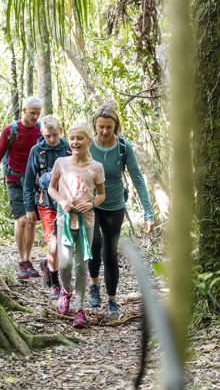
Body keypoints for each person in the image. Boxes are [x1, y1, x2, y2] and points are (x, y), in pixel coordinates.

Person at [88, 104, 155, 318]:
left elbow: (137, 179)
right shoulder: (87, 145)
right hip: (90, 204)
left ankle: (112, 300)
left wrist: (148, 212)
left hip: (115, 205)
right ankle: (94, 285)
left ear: (116, 126)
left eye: (109, 127)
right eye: (101, 127)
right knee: (94, 244)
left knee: (110, 251)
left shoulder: (123, 147)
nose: (105, 132)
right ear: (94, 126)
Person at [48, 121, 105, 328]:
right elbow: (51, 189)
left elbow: (101, 195)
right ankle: (65, 291)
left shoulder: (96, 167)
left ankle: (80, 308)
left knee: (81, 266)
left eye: (80, 138)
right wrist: (62, 201)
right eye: (72, 138)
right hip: (64, 220)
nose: (75, 142)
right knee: (65, 264)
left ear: (89, 141)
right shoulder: (61, 163)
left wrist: (90, 204)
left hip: (86, 222)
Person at [0, 96, 42, 280]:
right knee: (22, 221)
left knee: (32, 221)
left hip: (34, 182)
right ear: (24, 111)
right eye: (32, 113)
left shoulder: (40, 131)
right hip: (15, 180)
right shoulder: (11, 131)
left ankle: (28, 260)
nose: (35, 117)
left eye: (38, 114)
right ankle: (21, 261)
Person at [23, 115, 70, 300]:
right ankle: (55, 284)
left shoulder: (68, 148)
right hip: (45, 204)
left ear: (61, 130)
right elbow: (28, 183)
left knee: (65, 244)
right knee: (53, 243)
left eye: (54, 135)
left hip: (66, 204)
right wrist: (29, 209)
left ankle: (48, 267)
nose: (51, 139)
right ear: (41, 133)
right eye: (47, 135)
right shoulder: (36, 151)